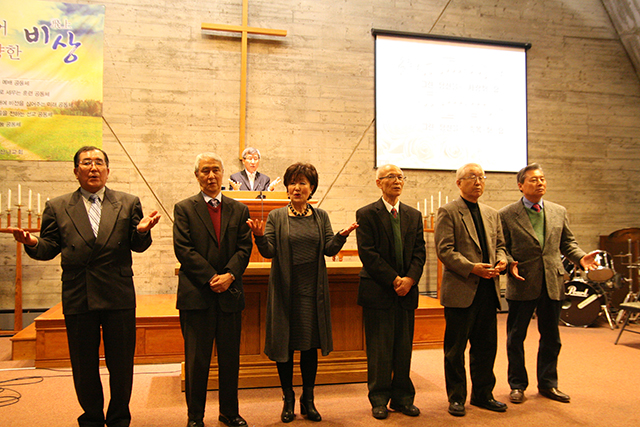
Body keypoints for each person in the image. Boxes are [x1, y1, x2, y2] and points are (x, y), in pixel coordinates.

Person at [10, 146, 160, 427]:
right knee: (83, 364)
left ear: (108, 170)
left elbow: (137, 246)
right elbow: (49, 247)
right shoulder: (58, 206)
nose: (93, 168)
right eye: (86, 163)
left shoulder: (128, 202)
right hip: (79, 293)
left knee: (121, 363)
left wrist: (142, 232)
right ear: (75, 171)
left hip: (117, 293)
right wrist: (32, 242)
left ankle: (119, 418)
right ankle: (91, 418)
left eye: (99, 163)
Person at [246, 163, 358, 423]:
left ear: (312, 188)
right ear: (287, 187)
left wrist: (341, 236)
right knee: (284, 346)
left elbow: (329, 249)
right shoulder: (277, 216)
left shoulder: (321, 216)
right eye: (292, 183)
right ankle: (288, 399)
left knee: (309, 347)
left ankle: (308, 399)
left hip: (312, 293)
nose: (297, 187)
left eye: (303, 183)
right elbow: (269, 251)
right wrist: (260, 237)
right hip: (285, 291)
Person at [499, 163, 597, 405]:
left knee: (551, 337)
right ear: (520, 185)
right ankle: (517, 385)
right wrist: (509, 263)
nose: (540, 183)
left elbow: (568, 243)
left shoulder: (558, 211)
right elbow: (501, 246)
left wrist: (580, 258)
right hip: (522, 281)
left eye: (542, 179)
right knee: (516, 337)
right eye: (533, 180)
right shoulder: (506, 214)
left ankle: (548, 383)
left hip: (552, 281)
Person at [173, 153, 253, 427]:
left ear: (223, 174)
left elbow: (244, 248)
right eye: (205, 171)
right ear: (197, 175)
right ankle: (195, 416)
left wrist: (229, 275)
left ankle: (229, 412)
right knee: (197, 361)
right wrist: (211, 277)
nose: (211, 176)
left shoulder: (239, 209)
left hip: (230, 294)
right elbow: (183, 249)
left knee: (230, 360)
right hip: (197, 296)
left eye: (216, 170)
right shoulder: (184, 208)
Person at [434, 163, 508, 417]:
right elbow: (445, 250)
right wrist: (472, 268)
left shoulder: (492, 213)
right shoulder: (448, 211)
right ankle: (456, 398)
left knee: (486, 347)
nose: (478, 182)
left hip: (488, 289)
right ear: (459, 183)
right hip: (462, 290)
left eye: (482, 177)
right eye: (472, 177)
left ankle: (483, 395)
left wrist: (502, 260)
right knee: (455, 350)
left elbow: (501, 245)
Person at [355, 164, 426, 420]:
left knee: (403, 349)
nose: (397, 181)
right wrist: (395, 279)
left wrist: (410, 279)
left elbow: (419, 252)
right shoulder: (366, 214)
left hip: (407, 292)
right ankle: (379, 399)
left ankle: (403, 398)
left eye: (400, 177)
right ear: (378, 183)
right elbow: (368, 253)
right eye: (391, 177)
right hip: (379, 292)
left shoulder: (413, 215)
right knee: (380, 351)